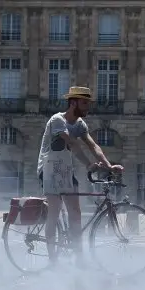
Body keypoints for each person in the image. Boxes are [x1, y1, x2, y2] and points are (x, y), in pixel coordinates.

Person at [37, 86, 124, 264]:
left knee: (75, 212)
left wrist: (108, 166)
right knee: (54, 211)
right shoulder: (57, 120)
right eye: (85, 103)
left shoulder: (80, 124)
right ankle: (52, 260)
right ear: (73, 102)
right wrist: (89, 165)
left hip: (66, 169)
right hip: (48, 167)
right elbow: (72, 143)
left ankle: (79, 257)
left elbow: (93, 146)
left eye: (88, 104)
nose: (87, 107)